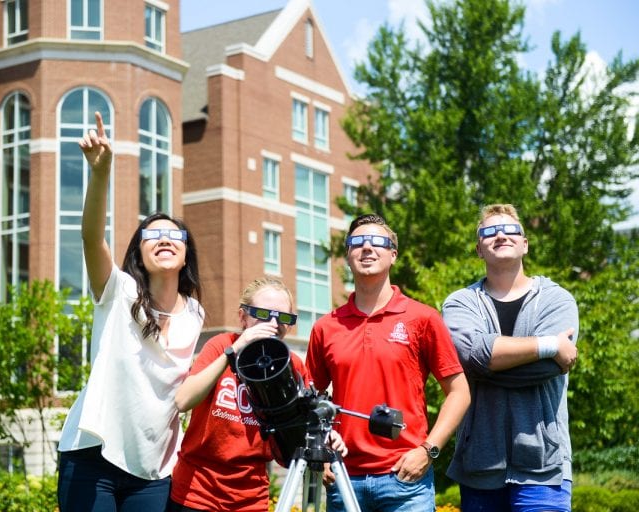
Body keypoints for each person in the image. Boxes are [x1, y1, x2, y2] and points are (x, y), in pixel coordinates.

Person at [57, 111, 205, 512]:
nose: (163, 239)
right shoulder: (118, 291)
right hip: (92, 457)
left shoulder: (195, 313)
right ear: (137, 251)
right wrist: (101, 173)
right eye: (151, 234)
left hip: (154, 469)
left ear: (186, 250)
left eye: (174, 234)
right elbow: (91, 237)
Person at [306, 213, 471, 512]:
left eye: (378, 242)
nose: (367, 248)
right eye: (357, 242)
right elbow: (310, 401)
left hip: (406, 480)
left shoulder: (422, 318)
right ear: (347, 254)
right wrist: (321, 453)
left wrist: (428, 450)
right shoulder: (325, 327)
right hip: (344, 480)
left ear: (393, 255)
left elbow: (460, 392)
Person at [441, 204, 578, 512]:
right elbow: (472, 355)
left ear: (525, 243)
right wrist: (548, 345)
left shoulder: (557, 299)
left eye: (510, 229)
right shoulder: (459, 303)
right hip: (479, 468)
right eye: (489, 231)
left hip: (544, 470)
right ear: (479, 248)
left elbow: (545, 369)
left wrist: (486, 365)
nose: (500, 235)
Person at [168, 276, 346, 512]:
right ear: (243, 317)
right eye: (263, 314)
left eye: (283, 318)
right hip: (197, 491)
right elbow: (183, 400)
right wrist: (235, 351)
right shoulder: (221, 346)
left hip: (250, 498)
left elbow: (295, 438)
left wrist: (324, 436)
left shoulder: (291, 366)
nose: (273, 323)